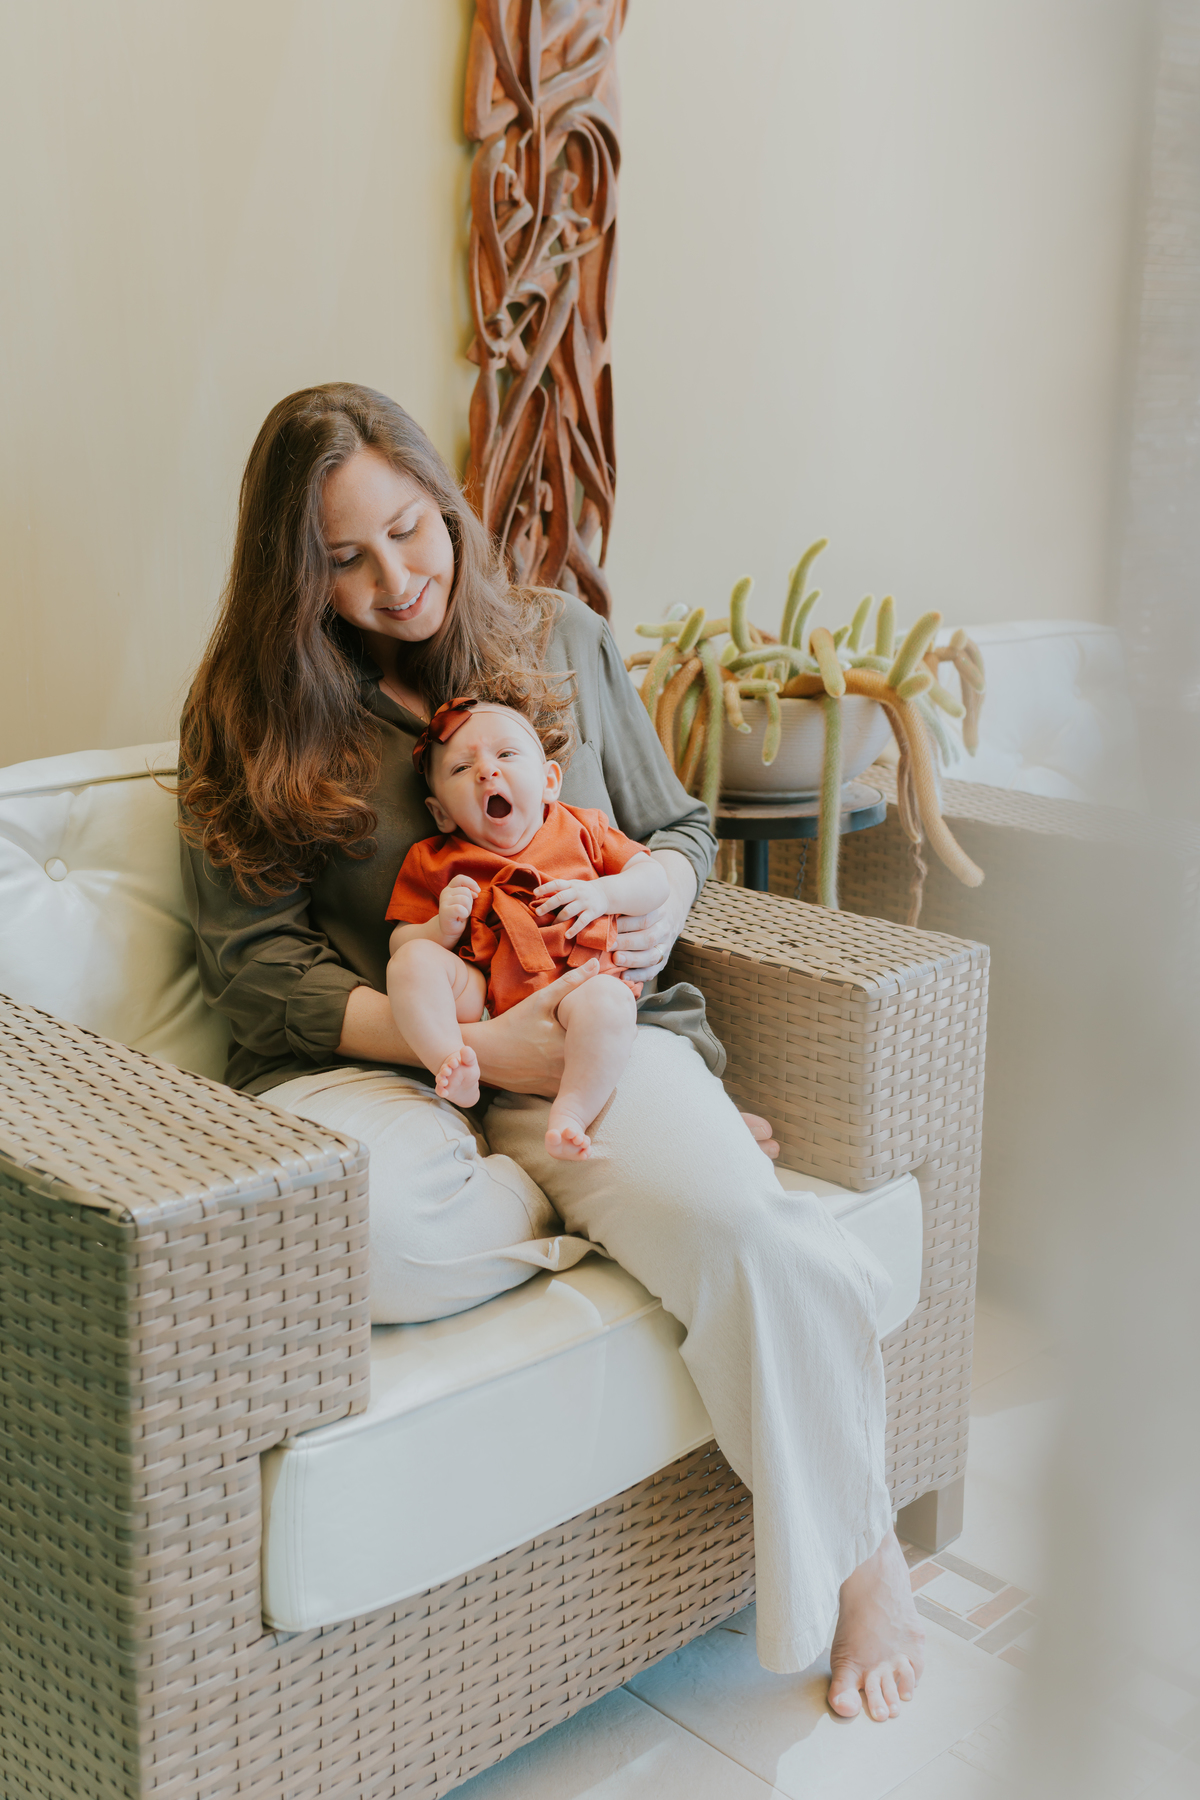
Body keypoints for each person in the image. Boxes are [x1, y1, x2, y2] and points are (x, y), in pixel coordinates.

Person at [178, 382, 925, 1721]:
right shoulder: (251, 709)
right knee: (374, 1235)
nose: (395, 580)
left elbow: (679, 827)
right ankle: (594, 1207)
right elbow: (255, 970)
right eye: (342, 561)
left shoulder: (557, 637)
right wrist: (470, 1042)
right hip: (396, 1072)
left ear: (445, 500)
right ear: (292, 575)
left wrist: (662, 897)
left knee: (746, 1240)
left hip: (586, 1047)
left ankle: (864, 1555)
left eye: (411, 531)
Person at [384, 695, 671, 1158]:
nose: (486, 771)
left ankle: (573, 1111)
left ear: (549, 781)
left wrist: (603, 894)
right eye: (460, 769)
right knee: (412, 964)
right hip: (483, 1003)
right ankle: (452, 1062)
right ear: (440, 813)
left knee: (610, 1002)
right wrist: (440, 928)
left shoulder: (582, 828)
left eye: (506, 754)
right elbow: (400, 943)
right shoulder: (434, 859)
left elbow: (653, 878)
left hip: (578, 989)